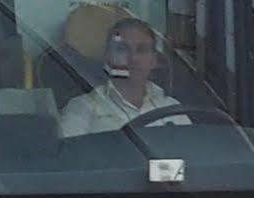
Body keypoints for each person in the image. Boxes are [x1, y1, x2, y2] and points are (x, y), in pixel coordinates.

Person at [58, 17, 187, 138]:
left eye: (142, 50)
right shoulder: (82, 108)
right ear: (107, 58)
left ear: (153, 60)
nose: (133, 58)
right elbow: (67, 158)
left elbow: (191, 154)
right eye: (122, 49)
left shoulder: (171, 108)